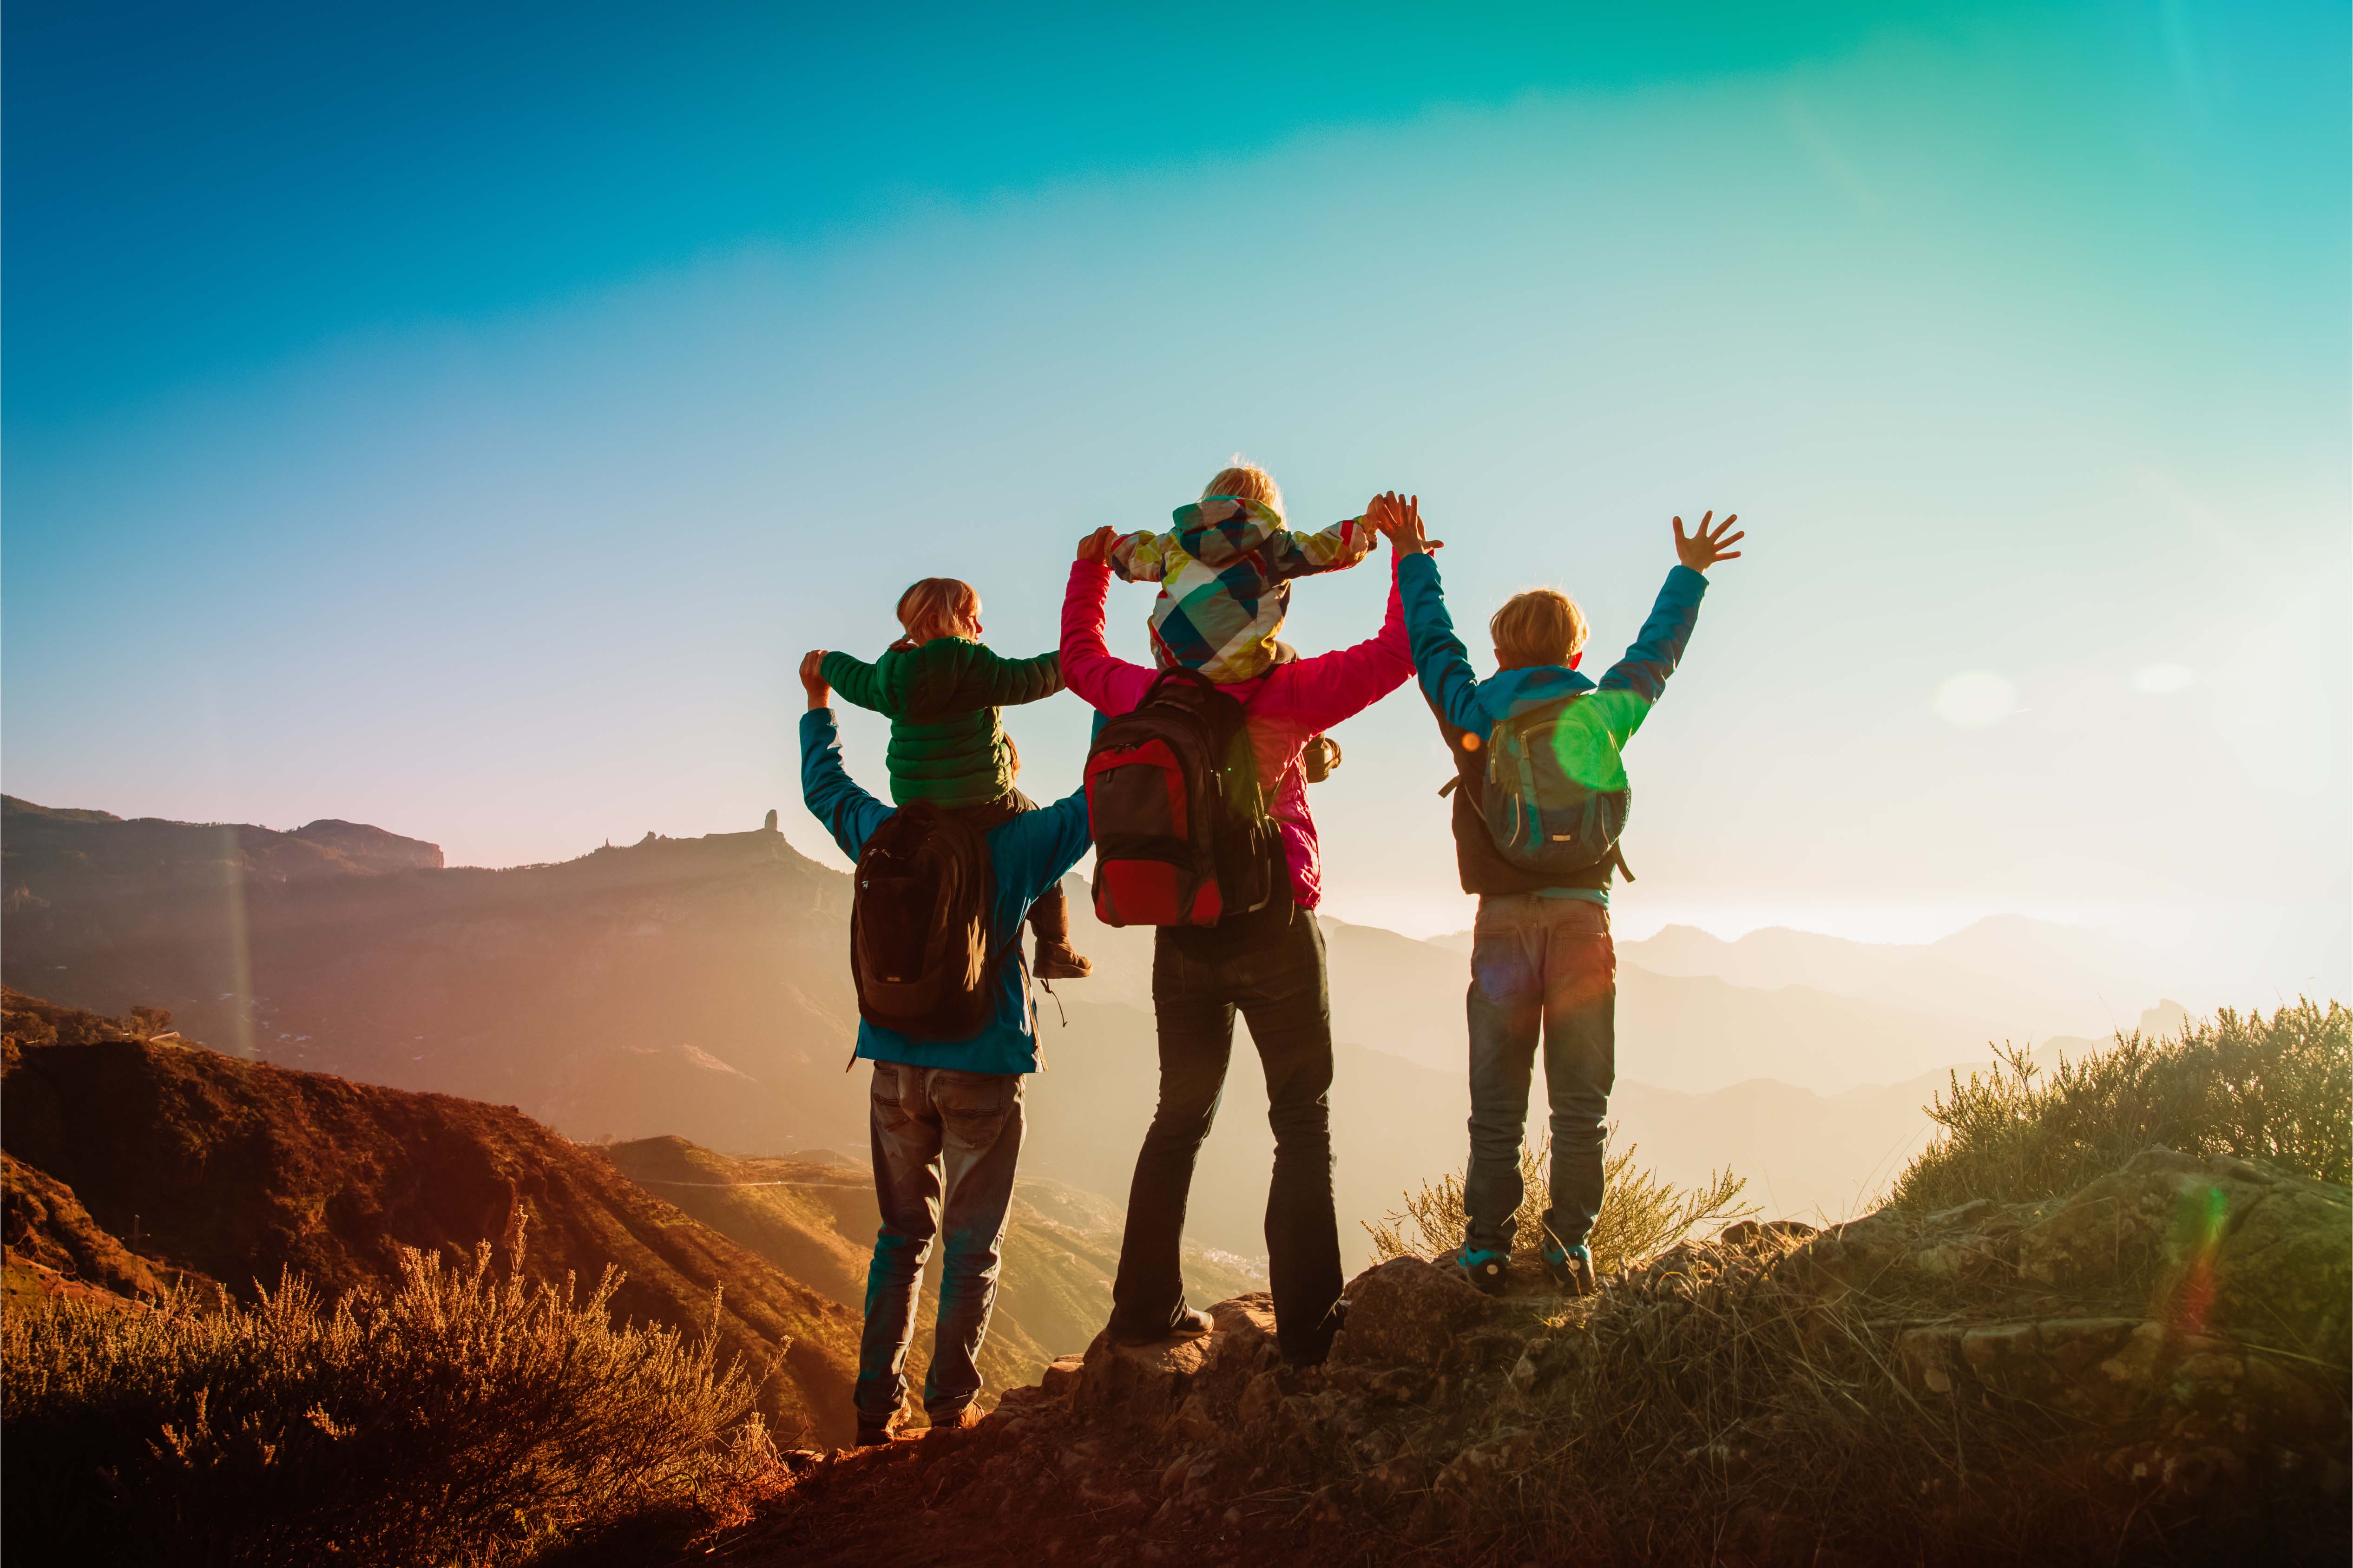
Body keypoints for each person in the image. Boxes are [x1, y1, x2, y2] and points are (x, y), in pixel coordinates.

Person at [1062, 484, 1416, 1367]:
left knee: (1175, 1116)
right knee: (1301, 1119)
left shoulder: (1136, 694)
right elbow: (1398, 653)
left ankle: (1142, 1312)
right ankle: (1305, 1333)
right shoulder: (1289, 694)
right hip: (1271, 927)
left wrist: (1087, 569)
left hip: (1181, 932)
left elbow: (1077, 658)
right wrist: (1409, 557)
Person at [1376, 496, 1744, 1296]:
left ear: (1501, 648)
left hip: (1502, 926)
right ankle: (1566, 1249)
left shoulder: (1472, 715)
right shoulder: (1600, 714)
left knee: (1496, 1105)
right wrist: (1687, 574)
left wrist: (1411, 556)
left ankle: (1482, 1249)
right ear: (1577, 647)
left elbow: (1433, 645)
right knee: (1579, 1104)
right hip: (1583, 920)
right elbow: (1654, 658)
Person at [796, 649, 1093, 1444]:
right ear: (987, 749)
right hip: (983, 1067)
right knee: (972, 1246)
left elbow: (824, 789)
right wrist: (1110, 696)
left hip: (893, 1065)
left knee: (899, 1240)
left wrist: (819, 704)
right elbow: (1093, 801)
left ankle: (871, 1412)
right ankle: (948, 1411)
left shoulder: (880, 835)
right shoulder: (1017, 845)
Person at [814, 576, 1092, 980]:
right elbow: (1036, 677)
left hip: (916, 807)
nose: (980, 629)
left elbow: (851, 677)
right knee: (1035, 822)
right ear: (943, 620)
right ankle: (1055, 945)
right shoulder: (974, 665)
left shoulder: (887, 676)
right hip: (985, 803)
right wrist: (1081, 657)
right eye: (973, 618)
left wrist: (824, 663)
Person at [1107, 460, 1379, 682]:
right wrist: (1366, 527)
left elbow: (1130, 556)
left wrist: (1108, 545)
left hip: (1172, 662)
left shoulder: (1173, 542)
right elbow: (1327, 549)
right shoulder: (1273, 544)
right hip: (1241, 669)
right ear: (1266, 509)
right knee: (1290, 659)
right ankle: (1314, 742)